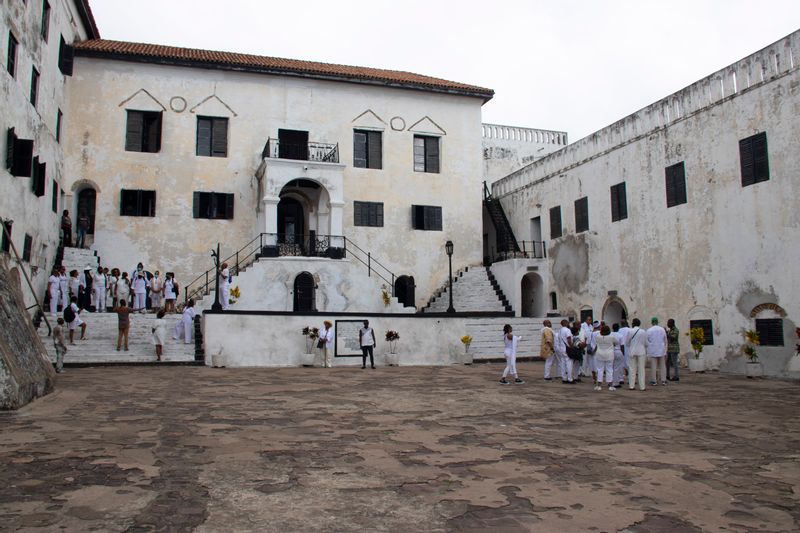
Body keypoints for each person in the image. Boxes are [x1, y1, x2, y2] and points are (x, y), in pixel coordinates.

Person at [594, 324, 620, 391]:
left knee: (600, 369)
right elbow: (617, 342)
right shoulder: (611, 337)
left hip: (599, 354)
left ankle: (599, 385)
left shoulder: (597, 336)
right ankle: (610, 385)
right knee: (609, 369)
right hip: (609, 354)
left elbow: (596, 343)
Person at [626, 318, 647, 390]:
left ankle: (631, 386)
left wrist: (632, 345)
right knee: (641, 369)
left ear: (633, 324)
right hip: (641, 351)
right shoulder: (643, 331)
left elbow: (627, 342)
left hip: (632, 351)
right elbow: (645, 343)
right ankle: (642, 387)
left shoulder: (630, 331)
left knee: (632, 369)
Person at [646, 317, 668, 386]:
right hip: (661, 350)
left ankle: (654, 381)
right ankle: (663, 380)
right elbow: (665, 340)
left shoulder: (649, 330)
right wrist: (665, 349)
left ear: (652, 322)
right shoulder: (662, 329)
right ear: (657, 322)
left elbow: (647, 341)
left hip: (653, 350)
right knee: (662, 366)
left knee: (653, 366)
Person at [556, 319, 574, 384]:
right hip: (567, 348)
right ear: (566, 323)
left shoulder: (560, 330)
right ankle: (570, 379)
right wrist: (571, 346)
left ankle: (564, 378)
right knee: (569, 363)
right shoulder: (567, 330)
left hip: (561, 348)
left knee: (563, 364)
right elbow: (569, 339)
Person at [611, 323, 626, 388]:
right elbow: (622, 346)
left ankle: (610, 381)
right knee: (617, 367)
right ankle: (616, 382)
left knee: (611, 367)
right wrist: (623, 353)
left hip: (611, 351)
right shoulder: (620, 335)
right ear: (618, 328)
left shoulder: (610, 334)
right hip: (618, 351)